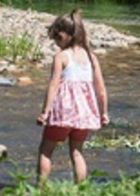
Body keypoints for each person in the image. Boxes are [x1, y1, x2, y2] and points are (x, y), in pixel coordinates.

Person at [36, 9, 108, 185]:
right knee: (77, 152)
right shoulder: (92, 58)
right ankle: (80, 190)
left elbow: (53, 85)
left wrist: (45, 112)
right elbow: (101, 89)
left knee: (45, 150)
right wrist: (104, 112)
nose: (57, 44)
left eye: (57, 39)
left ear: (63, 35)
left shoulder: (62, 56)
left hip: (64, 112)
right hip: (84, 113)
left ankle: (41, 190)